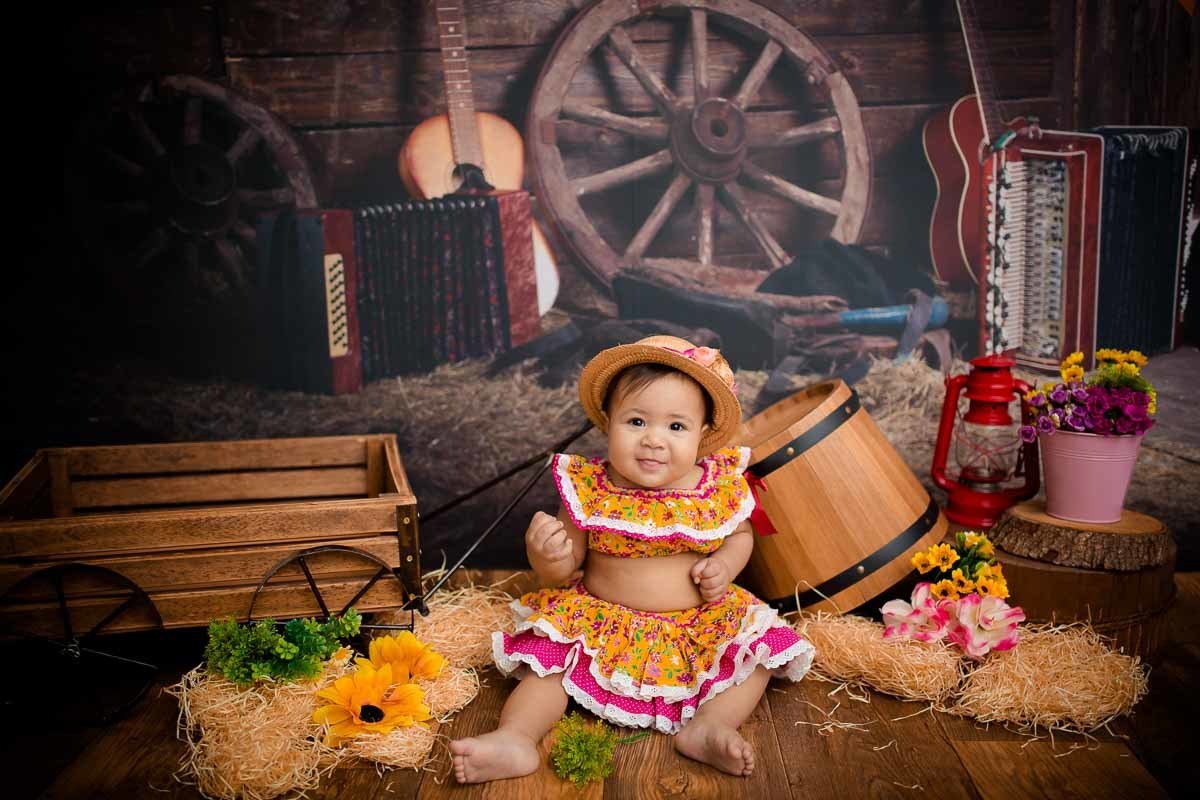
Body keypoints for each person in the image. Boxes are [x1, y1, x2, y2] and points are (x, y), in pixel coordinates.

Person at [450, 335, 814, 783]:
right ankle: (516, 738)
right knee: (547, 669)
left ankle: (710, 726)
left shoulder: (712, 488)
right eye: (637, 421)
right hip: (599, 623)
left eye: (676, 427)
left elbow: (739, 535)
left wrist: (725, 565)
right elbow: (561, 571)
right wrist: (546, 554)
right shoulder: (591, 489)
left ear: (702, 434)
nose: (653, 440)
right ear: (609, 422)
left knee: (754, 658)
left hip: (697, 624)